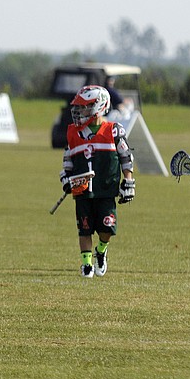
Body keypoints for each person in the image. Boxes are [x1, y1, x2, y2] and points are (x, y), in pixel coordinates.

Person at [59, 85, 135, 279]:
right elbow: (67, 160)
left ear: (98, 106)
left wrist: (128, 181)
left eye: (84, 106)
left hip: (106, 189)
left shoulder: (114, 130)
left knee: (106, 228)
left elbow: (126, 157)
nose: (79, 111)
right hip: (82, 191)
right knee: (84, 229)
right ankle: (86, 264)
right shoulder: (74, 133)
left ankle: (101, 251)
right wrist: (66, 178)